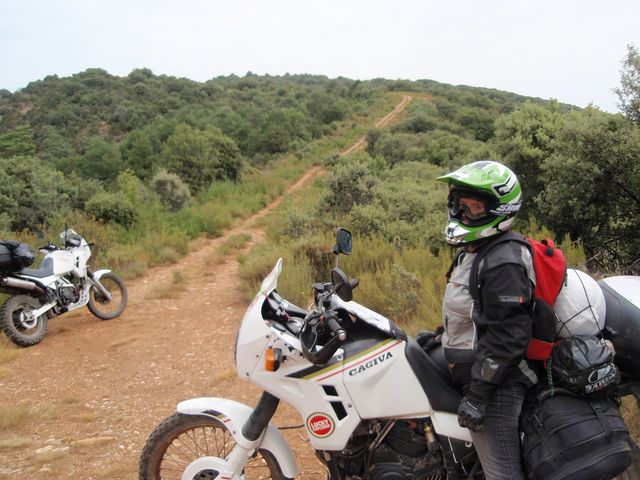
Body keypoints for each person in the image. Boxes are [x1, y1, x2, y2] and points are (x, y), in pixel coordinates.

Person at [436, 160, 537, 480]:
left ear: (499, 210)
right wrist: (440, 334)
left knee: (501, 473)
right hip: (474, 371)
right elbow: (475, 312)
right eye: (459, 204)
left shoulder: (503, 261)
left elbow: (509, 337)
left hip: (498, 385)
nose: (463, 214)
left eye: (475, 207)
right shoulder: (473, 250)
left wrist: (479, 396)